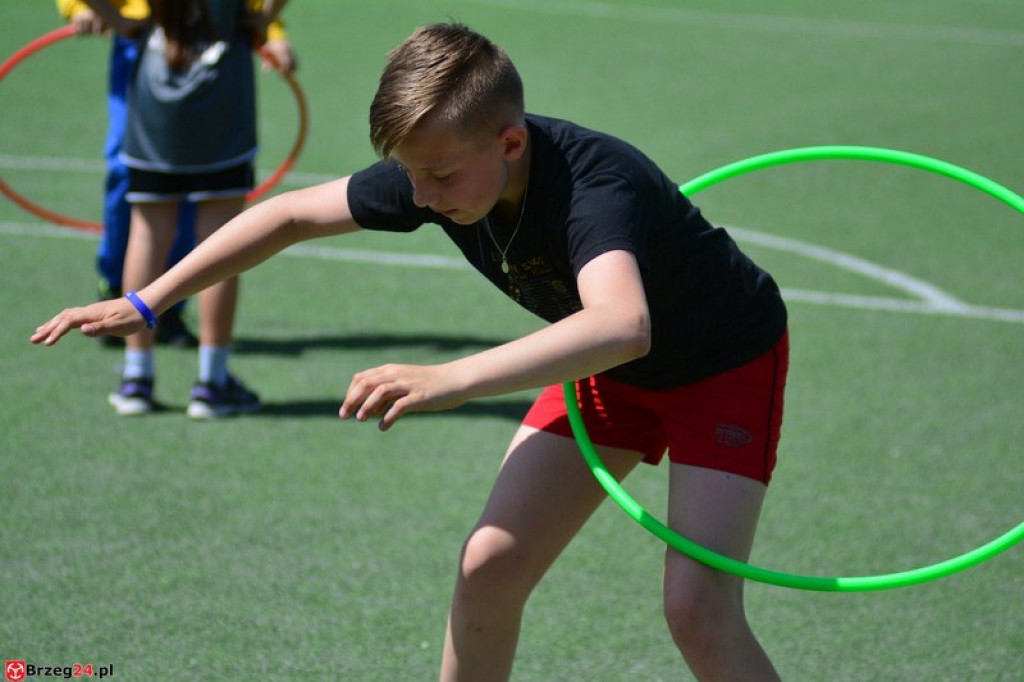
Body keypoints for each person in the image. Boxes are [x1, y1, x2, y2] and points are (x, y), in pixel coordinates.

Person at [33, 22, 789, 679]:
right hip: (602, 372)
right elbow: (292, 215)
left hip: (719, 366)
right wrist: (145, 300)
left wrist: (451, 379)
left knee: (695, 609)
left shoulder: (597, 188)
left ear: (512, 141)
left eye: (437, 177)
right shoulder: (444, 167)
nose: (421, 199)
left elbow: (624, 324)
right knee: (487, 566)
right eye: (409, 175)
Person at [71, 0, 291, 418]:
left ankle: (137, 376)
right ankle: (212, 381)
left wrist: (118, 21)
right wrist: (265, 20)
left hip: (155, 102)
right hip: (222, 100)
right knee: (223, 242)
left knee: (147, 232)